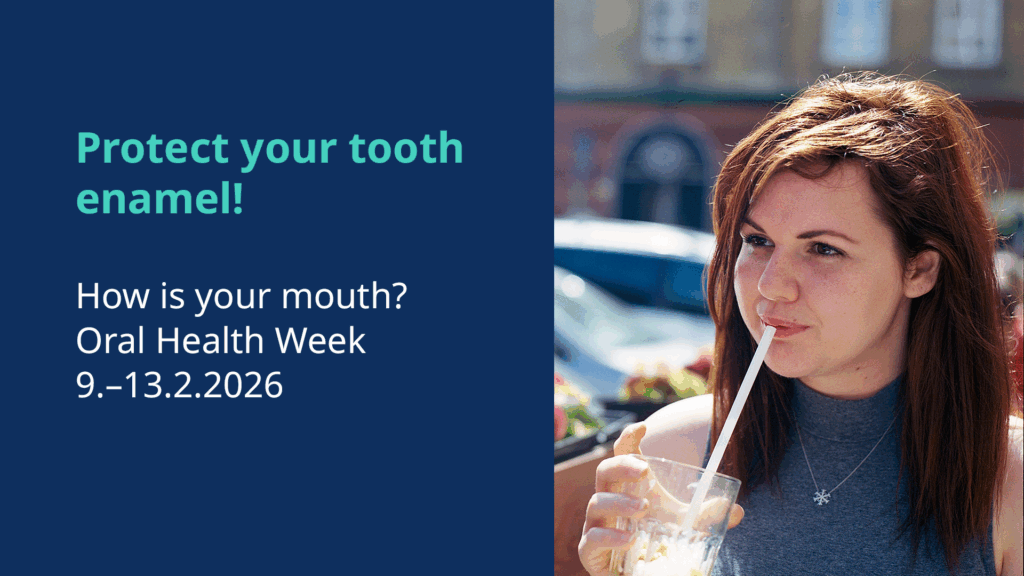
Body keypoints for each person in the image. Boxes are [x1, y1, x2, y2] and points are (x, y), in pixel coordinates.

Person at [578, 73, 1024, 575]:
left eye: (824, 249)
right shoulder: (673, 454)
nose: (772, 285)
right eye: (757, 241)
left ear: (919, 268)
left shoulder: (1009, 483)